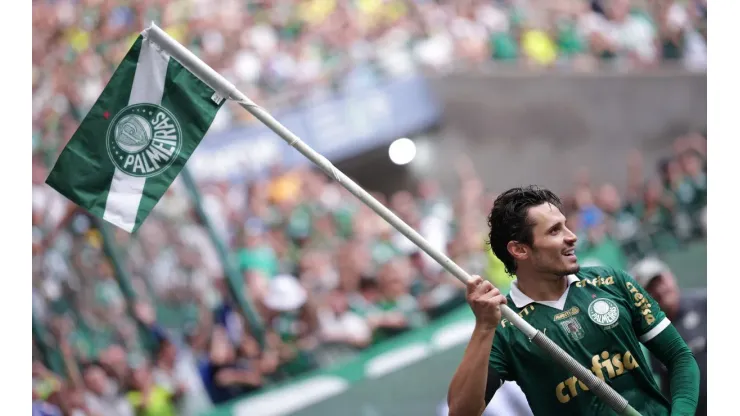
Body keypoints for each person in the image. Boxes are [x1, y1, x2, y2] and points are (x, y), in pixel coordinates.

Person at [446, 186, 699, 416]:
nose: (572, 236)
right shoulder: (504, 325)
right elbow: (461, 412)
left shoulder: (612, 282)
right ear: (520, 249)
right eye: (555, 231)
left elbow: (679, 357)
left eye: (565, 225)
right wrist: (483, 327)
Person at [631, 257, 707, 416]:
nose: (659, 290)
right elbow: (668, 387)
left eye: (660, 281)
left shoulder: (705, 303)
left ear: (671, 276)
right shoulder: (653, 336)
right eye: (650, 287)